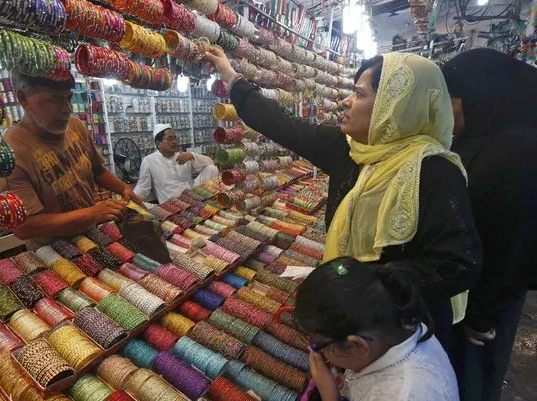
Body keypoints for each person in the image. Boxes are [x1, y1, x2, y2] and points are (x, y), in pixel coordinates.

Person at [205, 47, 482, 349]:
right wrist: (232, 79)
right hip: (348, 318)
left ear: (395, 105)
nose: (345, 101)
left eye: (359, 95)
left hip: (403, 332)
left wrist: (364, 282)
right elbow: (283, 124)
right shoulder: (348, 149)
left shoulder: (434, 170)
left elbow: (459, 263)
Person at [442, 48, 537, 401]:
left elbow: (511, 245)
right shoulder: (482, 139)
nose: (445, 113)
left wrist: (481, 314)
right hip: (467, 291)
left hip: (484, 300)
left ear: (478, 95)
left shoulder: (519, 156)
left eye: (450, 101)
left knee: (472, 379)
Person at [0, 73, 143, 249]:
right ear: (24, 99)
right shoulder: (11, 154)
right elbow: (24, 227)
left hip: (93, 235)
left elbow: (97, 170)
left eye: (69, 98)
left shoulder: (74, 126)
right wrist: (92, 214)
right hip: (51, 251)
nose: (67, 108)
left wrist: (123, 188)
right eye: (55, 100)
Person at [294, 257, 459, 401]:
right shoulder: (399, 322)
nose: (316, 352)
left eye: (317, 345)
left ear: (357, 346)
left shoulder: (400, 395)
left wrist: (329, 396)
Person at [134, 123, 219, 203]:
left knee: (212, 169)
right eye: (170, 139)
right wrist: (128, 198)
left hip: (193, 196)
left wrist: (192, 155)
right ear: (159, 143)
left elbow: (210, 163)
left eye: (175, 138)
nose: (174, 142)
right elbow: (142, 188)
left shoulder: (183, 156)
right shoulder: (149, 161)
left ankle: (208, 201)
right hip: (172, 203)